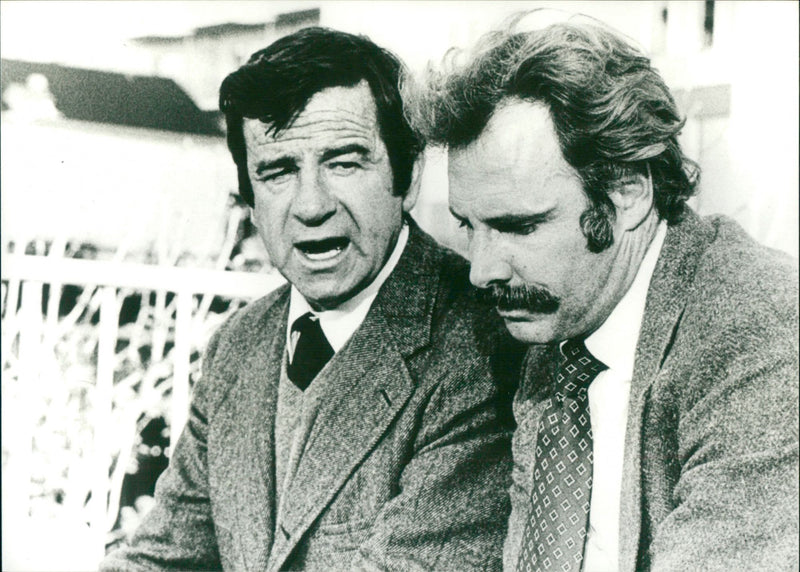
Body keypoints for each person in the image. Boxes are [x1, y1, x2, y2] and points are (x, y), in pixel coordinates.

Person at [102, 27, 522, 571]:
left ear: (409, 176)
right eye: (277, 172)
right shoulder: (240, 343)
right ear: (250, 202)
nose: (311, 206)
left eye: (344, 162)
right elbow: (162, 559)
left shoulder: (484, 343)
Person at [410, 14, 799, 572]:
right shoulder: (563, 317)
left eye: (519, 227)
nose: (481, 271)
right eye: (469, 227)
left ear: (628, 192)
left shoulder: (762, 332)